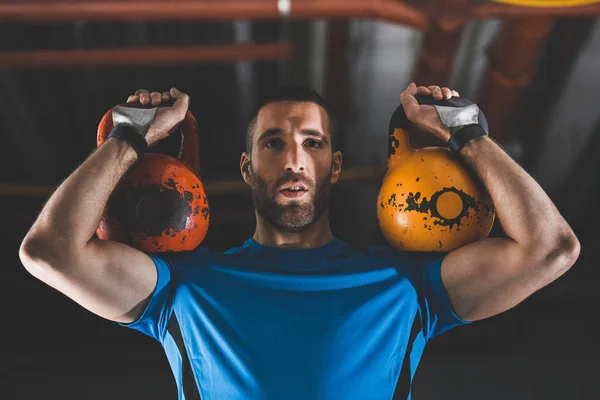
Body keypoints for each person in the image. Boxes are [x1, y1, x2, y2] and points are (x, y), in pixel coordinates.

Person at [19, 83, 580, 400]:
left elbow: (551, 249)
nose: (293, 160)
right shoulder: (184, 289)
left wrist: (467, 131)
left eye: (312, 143)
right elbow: (49, 253)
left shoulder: (406, 286)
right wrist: (127, 138)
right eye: (273, 143)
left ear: (335, 167)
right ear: (245, 167)